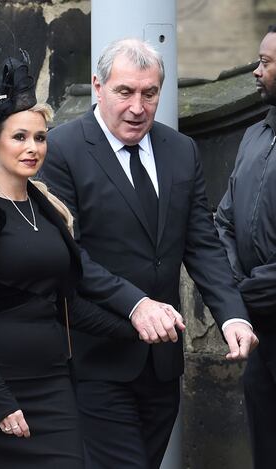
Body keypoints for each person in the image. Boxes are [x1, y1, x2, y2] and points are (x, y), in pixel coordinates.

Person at [41, 38, 259, 468]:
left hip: (162, 365)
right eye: (125, 92)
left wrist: (233, 313)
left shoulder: (181, 149)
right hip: (95, 359)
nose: (138, 107)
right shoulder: (61, 149)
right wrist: (135, 303)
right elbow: (68, 255)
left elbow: (202, 243)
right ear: (98, 86)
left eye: (149, 93)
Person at [0, 56, 137, 469]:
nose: (33, 148)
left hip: (51, 383)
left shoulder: (49, 209)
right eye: (20, 137)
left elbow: (64, 303)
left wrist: (135, 327)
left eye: (40, 137)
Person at [215, 25, 276, 469]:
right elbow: (224, 219)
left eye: (267, 63)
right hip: (262, 333)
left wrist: (247, 292)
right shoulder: (255, 135)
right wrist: (237, 285)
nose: (257, 71)